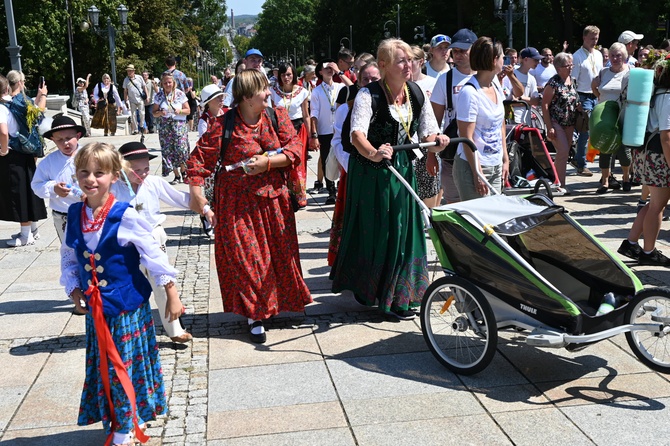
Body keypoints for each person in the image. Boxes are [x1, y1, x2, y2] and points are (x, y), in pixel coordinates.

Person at [60, 142, 184, 445]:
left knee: (123, 366)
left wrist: (171, 291)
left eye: (99, 173)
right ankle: (117, 419)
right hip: (97, 309)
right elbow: (69, 253)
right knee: (105, 366)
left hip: (127, 307)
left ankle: (125, 426)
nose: (91, 179)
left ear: (114, 175)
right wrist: (74, 286)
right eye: (84, 172)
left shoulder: (124, 215)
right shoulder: (76, 213)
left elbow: (152, 254)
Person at [186, 69, 312, 343]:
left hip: (274, 202)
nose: (269, 93)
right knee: (248, 260)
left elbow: (295, 149)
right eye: (263, 89)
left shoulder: (276, 117)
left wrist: (267, 163)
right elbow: (197, 162)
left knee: (276, 258)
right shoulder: (224, 125)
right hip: (236, 205)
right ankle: (255, 315)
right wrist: (197, 195)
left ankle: (271, 306)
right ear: (246, 96)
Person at [330, 38, 448, 320]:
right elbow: (356, 134)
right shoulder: (367, 95)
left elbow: (428, 131)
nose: (408, 65)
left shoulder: (416, 92)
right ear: (383, 66)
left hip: (403, 168)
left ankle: (403, 294)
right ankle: (379, 292)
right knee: (383, 230)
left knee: (405, 228)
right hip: (371, 173)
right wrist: (373, 153)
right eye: (401, 60)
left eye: (410, 59)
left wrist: (437, 142)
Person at [112, 141, 196, 342]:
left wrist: (205, 205)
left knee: (163, 282)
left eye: (146, 168)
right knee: (130, 285)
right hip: (126, 243)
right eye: (135, 170)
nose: (142, 174)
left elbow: (181, 198)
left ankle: (174, 328)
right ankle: (129, 330)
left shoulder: (154, 182)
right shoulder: (113, 187)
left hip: (153, 237)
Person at [617, 55, 670, 266]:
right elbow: (666, 137)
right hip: (658, 156)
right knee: (658, 206)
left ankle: (631, 242)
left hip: (645, 154)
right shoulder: (667, 96)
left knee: (652, 204)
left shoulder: (655, 92)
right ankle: (648, 252)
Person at [327, 61, 381, 266]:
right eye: (365, 79)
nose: (369, 83)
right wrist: (352, 164)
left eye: (374, 79)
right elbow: (337, 141)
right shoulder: (345, 110)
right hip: (354, 172)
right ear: (357, 82)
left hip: (381, 171)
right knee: (352, 219)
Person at [453, 37, 510, 200]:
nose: (503, 61)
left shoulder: (496, 85)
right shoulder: (470, 93)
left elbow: (501, 125)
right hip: (472, 167)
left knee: (495, 219)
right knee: (477, 221)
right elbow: (466, 138)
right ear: (494, 61)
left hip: (495, 163)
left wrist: (505, 159)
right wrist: (477, 172)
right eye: (502, 57)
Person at [0, 71, 48, 247]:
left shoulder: (2, 106)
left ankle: (25, 235)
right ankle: (33, 230)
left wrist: (3, 150)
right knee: (29, 190)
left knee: (19, 193)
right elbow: (38, 112)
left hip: (14, 153)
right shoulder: (18, 101)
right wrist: (42, 95)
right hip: (28, 151)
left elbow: (4, 132)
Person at [431, 28, 478, 205]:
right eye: (455, 51)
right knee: (455, 204)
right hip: (453, 152)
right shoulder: (445, 80)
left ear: (474, 50)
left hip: (482, 150)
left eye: (463, 50)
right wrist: (431, 154)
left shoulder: (487, 77)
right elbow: (434, 121)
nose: (457, 55)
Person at [591, 42, 631, 194]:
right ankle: (605, 181)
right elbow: (594, 87)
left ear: (624, 57)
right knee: (604, 146)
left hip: (622, 113)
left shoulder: (629, 72)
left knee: (623, 148)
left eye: (618, 55)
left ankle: (626, 177)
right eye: (613, 55)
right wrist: (600, 98)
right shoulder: (603, 72)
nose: (615, 58)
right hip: (605, 114)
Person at [270, 62, 311, 208]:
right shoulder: (273, 91)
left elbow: (306, 115)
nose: (286, 77)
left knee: (298, 164)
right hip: (280, 131)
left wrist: (312, 135)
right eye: (283, 75)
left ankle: (299, 196)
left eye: (288, 74)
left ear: (293, 74)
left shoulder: (302, 91)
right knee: (282, 162)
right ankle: (285, 195)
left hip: (298, 129)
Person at [542, 52, 579, 192]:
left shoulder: (573, 80)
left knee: (564, 153)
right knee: (563, 151)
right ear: (558, 68)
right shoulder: (553, 83)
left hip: (570, 122)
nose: (570, 68)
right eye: (567, 65)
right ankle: (560, 184)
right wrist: (549, 127)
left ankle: (558, 181)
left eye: (571, 65)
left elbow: (575, 99)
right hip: (555, 121)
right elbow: (544, 105)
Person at [310, 58, 345, 204]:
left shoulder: (340, 86)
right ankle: (331, 190)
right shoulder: (317, 91)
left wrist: (340, 72)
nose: (329, 70)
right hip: (325, 131)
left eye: (331, 67)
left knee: (341, 159)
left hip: (340, 130)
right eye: (326, 67)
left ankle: (340, 187)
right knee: (326, 160)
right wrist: (314, 134)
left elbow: (354, 88)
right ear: (320, 72)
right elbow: (314, 113)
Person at [410, 45, 440, 208]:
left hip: (426, 142)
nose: (408, 64)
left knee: (429, 188)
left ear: (421, 61)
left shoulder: (433, 83)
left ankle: (429, 222)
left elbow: (436, 119)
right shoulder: (401, 84)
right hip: (408, 143)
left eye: (411, 60)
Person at [571, 25, 603, 177]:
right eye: (591, 38)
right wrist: (576, 100)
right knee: (585, 130)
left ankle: (585, 158)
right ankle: (581, 163)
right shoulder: (577, 56)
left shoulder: (598, 54)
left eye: (596, 38)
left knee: (594, 129)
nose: (594, 41)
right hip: (583, 95)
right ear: (584, 38)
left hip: (596, 95)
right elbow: (573, 80)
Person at [152, 71, 190, 184]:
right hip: (165, 125)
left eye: (169, 82)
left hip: (179, 124)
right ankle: (176, 175)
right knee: (169, 151)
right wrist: (160, 113)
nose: (168, 85)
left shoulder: (179, 94)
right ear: (162, 84)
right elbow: (154, 112)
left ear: (173, 83)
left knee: (181, 149)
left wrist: (180, 111)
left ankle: (184, 171)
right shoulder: (159, 96)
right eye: (165, 83)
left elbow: (188, 111)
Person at [503, 47, 543, 124]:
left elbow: (536, 101)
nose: (538, 62)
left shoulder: (531, 78)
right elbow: (510, 100)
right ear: (526, 59)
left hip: (526, 121)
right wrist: (528, 101)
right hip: (511, 119)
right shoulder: (511, 74)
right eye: (535, 60)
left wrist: (521, 98)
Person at [123, 64, 149, 135]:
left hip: (140, 98)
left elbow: (144, 87)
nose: (129, 72)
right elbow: (125, 91)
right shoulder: (126, 80)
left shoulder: (139, 77)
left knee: (142, 113)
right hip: (132, 100)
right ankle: (136, 129)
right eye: (128, 71)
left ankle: (141, 126)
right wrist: (125, 100)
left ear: (133, 71)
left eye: (130, 71)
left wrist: (147, 96)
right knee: (133, 115)